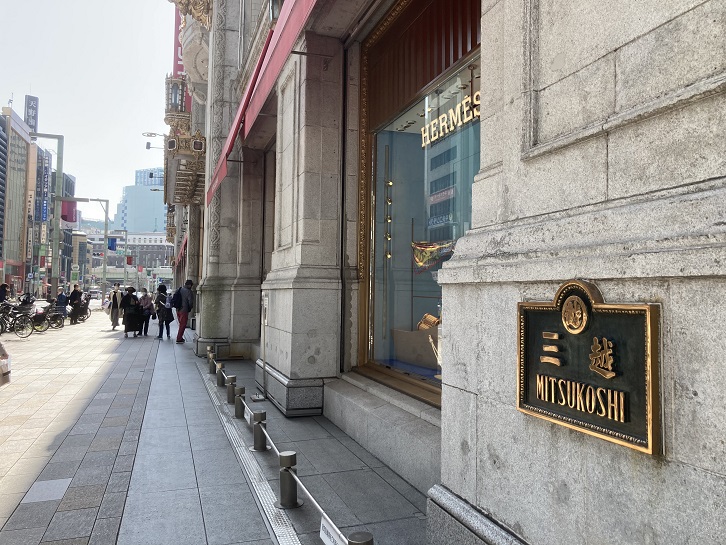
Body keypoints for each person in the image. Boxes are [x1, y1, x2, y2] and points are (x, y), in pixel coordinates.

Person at [175, 279, 194, 343]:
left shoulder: (179, 289)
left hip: (178, 309)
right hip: (184, 310)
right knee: (183, 324)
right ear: (190, 285)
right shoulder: (189, 291)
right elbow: (190, 302)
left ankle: (179, 337)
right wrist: (190, 308)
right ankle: (179, 338)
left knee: (181, 324)